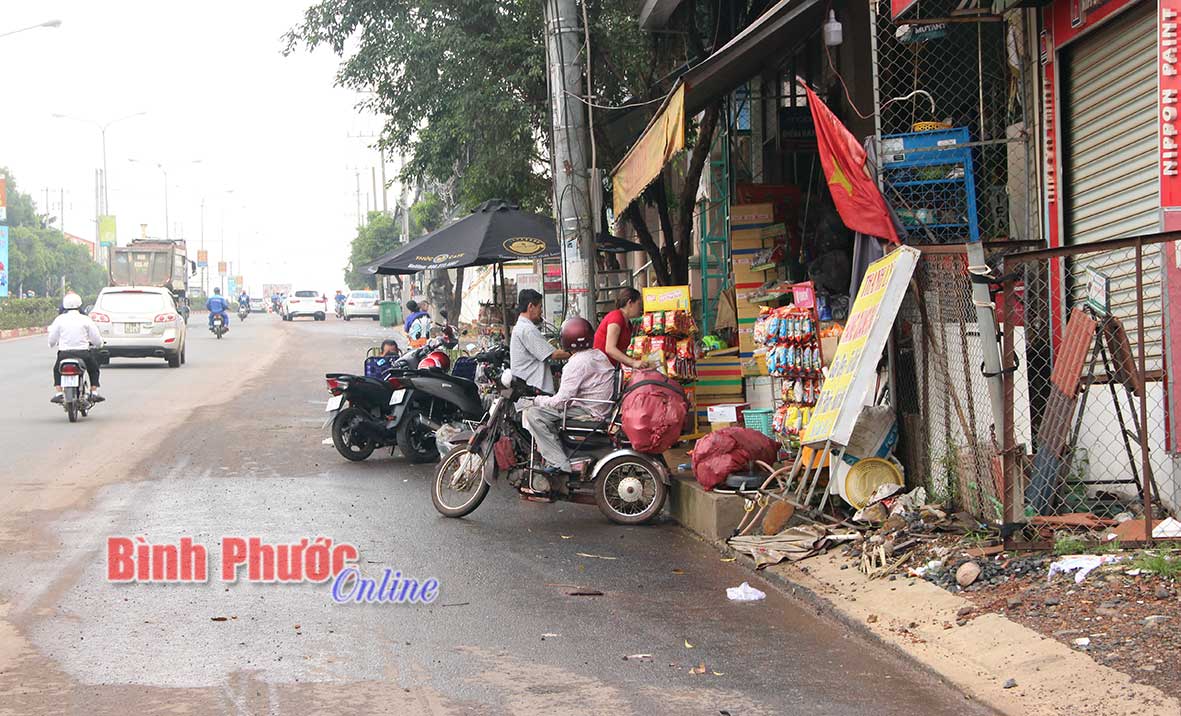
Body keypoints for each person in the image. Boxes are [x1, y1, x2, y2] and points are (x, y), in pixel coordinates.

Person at [523, 317, 615, 476]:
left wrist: (536, 400)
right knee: (545, 411)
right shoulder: (598, 355)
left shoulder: (576, 363)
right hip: (601, 408)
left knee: (533, 414)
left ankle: (558, 463)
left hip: (588, 412)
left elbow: (560, 402)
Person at [509, 289, 569, 394]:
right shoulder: (527, 329)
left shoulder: (522, 327)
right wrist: (578, 352)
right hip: (534, 390)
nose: (541, 311)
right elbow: (554, 355)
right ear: (530, 306)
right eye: (540, 307)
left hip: (529, 387)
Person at [48, 292, 104, 403]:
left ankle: (59, 393)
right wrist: (100, 344)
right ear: (80, 305)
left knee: (56, 370)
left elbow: (52, 339)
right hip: (83, 353)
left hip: (64, 354)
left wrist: (51, 344)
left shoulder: (59, 319)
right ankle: (94, 392)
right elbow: (96, 338)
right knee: (93, 369)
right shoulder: (86, 319)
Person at [594, 287, 645, 369]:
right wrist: (633, 362)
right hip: (600, 368)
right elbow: (610, 348)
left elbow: (621, 351)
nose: (641, 308)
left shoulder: (628, 324)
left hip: (609, 367)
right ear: (630, 303)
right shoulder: (616, 317)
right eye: (639, 304)